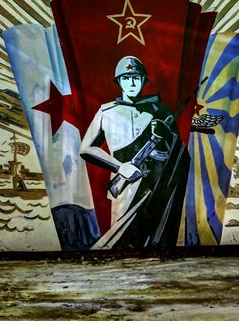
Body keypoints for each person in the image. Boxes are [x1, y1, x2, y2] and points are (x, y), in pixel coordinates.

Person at [80, 56, 190, 248]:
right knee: (123, 244)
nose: (132, 83)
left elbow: (179, 155)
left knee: (156, 245)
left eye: (136, 78)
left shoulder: (160, 110)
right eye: (126, 78)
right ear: (119, 81)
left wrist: (166, 137)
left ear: (143, 81)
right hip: (125, 190)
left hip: (157, 188)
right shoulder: (107, 112)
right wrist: (120, 167)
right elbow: (86, 149)